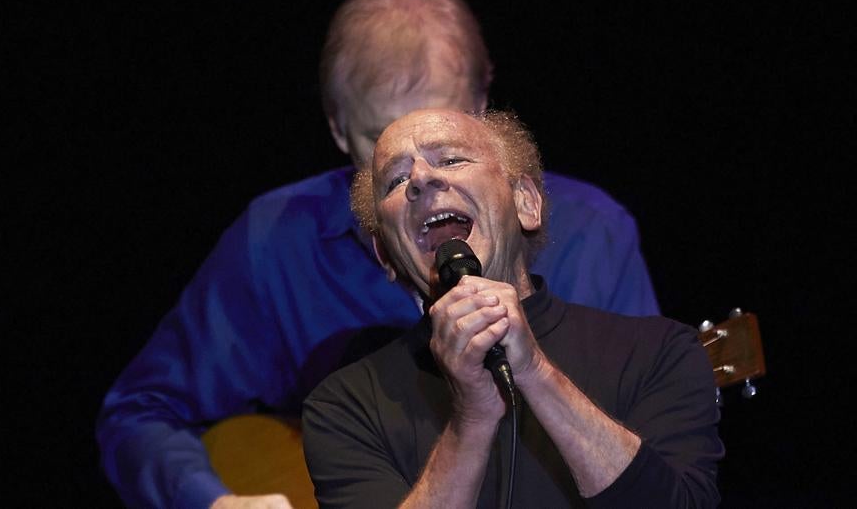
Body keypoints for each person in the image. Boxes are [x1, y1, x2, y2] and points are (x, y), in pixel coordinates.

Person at [97, 0, 661, 508]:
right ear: (337, 127)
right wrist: (213, 500)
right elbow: (140, 414)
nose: (422, 178)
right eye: (381, 147)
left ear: (484, 107)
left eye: (447, 134)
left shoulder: (595, 235)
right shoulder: (274, 241)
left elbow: (648, 460)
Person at [302, 109, 722, 508]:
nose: (421, 179)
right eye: (395, 181)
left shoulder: (659, 351)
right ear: (386, 255)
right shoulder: (345, 406)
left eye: (450, 159)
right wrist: (471, 419)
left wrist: (534, 371)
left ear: (526, 202)